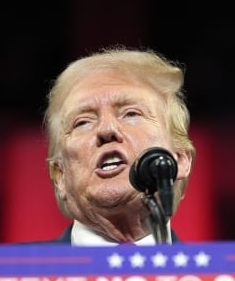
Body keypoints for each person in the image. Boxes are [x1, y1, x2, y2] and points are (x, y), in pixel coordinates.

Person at [40, 45, 196, 245]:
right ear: (60, 175)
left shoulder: (221, 274)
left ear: (179, 159)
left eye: (131, 114)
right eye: (83, 122)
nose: (106, 130)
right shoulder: (8, 273)